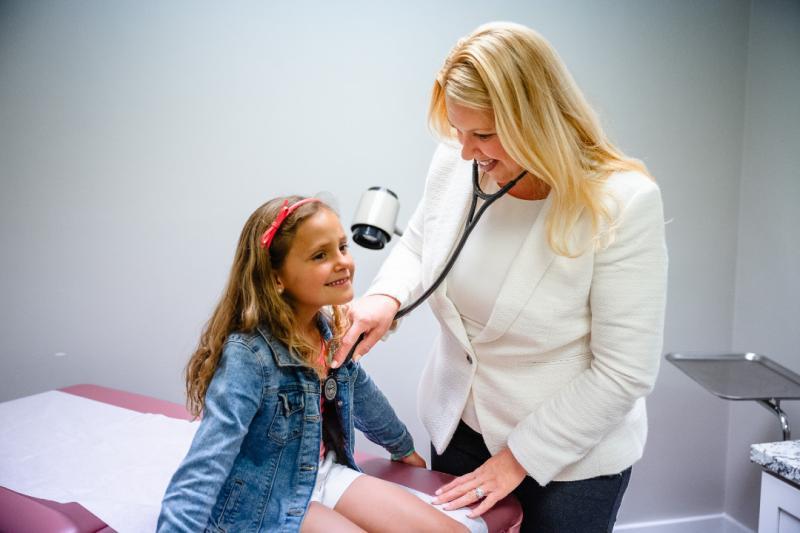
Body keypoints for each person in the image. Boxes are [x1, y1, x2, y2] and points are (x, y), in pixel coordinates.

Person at [332, 21, 668, 532]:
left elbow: (624, 372)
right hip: (460, 427)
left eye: (483, 134)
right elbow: (422, 243)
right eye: (457, 130)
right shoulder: (457, 161)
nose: (466, 151)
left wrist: (517, 459)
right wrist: (385, 297)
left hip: (572, 460)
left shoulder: (620, 203)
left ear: (538, 120)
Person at [157, 196, 467, 532]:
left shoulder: (328, 333)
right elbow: (206, 463)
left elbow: (363, 395)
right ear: (277, 278)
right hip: (265, 497)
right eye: (320, 255)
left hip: (323, 472)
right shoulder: (248, 356)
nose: (342, 262)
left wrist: (402, 446)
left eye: (343, 247)